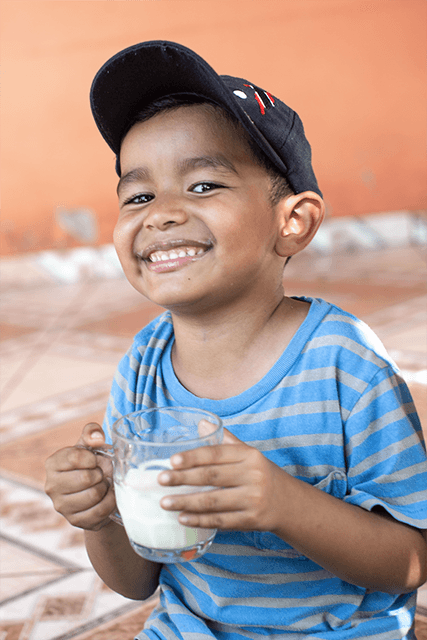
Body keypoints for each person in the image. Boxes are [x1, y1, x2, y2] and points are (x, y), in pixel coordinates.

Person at [45, 41, 427, 639]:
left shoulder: (346, 366)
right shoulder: (140, 372)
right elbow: (138, 580)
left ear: (292, 221)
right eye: (138, 195)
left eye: (202, 186)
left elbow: (409, 563)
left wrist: (284, 503)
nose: (162, 214)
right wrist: (101, 518)